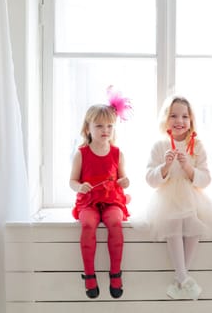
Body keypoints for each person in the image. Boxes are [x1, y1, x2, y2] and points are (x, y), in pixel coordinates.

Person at [144, 96, 212, 300]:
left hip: (192, 196)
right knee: (174, 224)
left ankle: (180, 278)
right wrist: (164, 167)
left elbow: (206, 179)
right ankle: (183, 278)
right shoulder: (160, 145)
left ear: (191, 120)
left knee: (194, 226)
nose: (179, 120)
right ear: (166, 120)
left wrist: (188, 168)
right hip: (167, 198)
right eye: (173, 115)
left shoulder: (197, 145)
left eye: (185, 116)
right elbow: (150, 179)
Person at [69, 88, 132, 300]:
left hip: (112, 200)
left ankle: (116, 273)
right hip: (89, 201)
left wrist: (125, 181)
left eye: (109, 126)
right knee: (87, 225)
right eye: (99, 126)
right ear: (88, 128)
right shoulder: (82, 153)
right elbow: (72, 181)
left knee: (115, 222)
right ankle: (89, 275)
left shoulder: (117, 152)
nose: (105, 130)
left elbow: (123, 179)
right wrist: (80, 187)